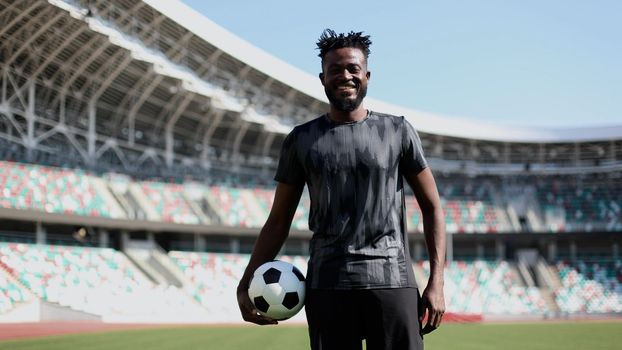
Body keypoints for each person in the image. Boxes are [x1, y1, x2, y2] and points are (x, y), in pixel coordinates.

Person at [237, 29, 446, 350]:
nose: (345, 76)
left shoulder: (398, 130)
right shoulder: (301, 140)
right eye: (335, 69)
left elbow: (432, 207)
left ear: (367, 76)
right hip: (327, 286)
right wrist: (248, 280)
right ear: (322, 77)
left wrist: (437, 281)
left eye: (353, 69)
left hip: (391, 282)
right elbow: (278, 221)